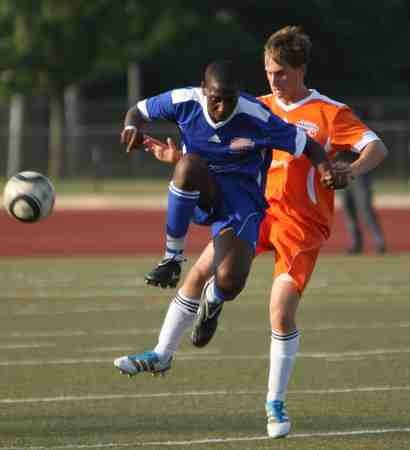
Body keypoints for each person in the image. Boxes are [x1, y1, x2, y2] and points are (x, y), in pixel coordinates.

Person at [114, 58, 343, 433]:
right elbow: (137, 111)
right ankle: (171, 261)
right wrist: (129, 128)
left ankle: (215, 301)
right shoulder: (184, 100)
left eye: (229, 99)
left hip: (243, 204)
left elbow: (309, 146)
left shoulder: (255, 114)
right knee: (187, 167)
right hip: (205, 187)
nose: (223, 107)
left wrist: (326, 168)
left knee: (231, 281)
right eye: (217, 99)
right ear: (204, 91)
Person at [342, 171, 386, 254]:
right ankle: (356, 244)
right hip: (343, 175)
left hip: (359, 174)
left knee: (366, 211)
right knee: (349, 211)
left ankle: (380, 243)